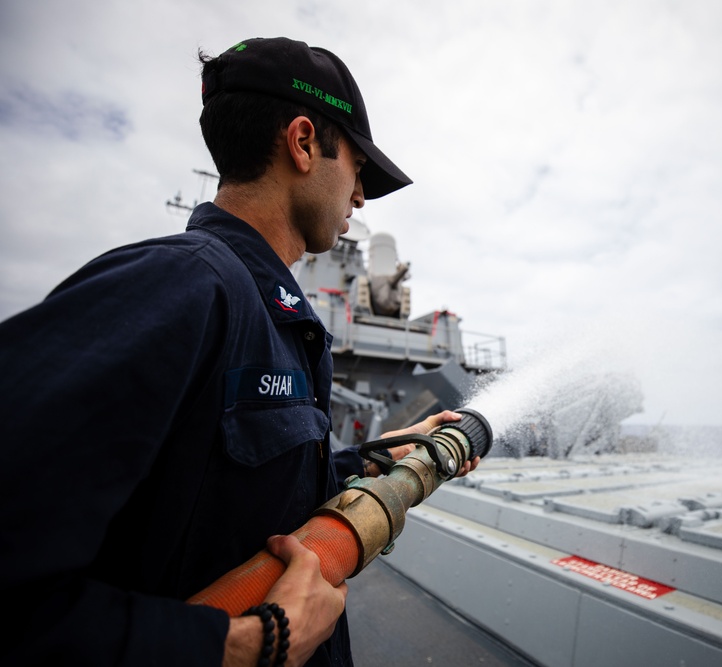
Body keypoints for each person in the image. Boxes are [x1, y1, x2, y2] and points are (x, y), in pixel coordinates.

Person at [0, 37, 476, 666]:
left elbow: (244, 503)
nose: (360, 198)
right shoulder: (179, 285)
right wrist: (252, 645)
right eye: (359, 169)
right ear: (304, 143)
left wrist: (371, 458)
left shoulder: (272, 315)